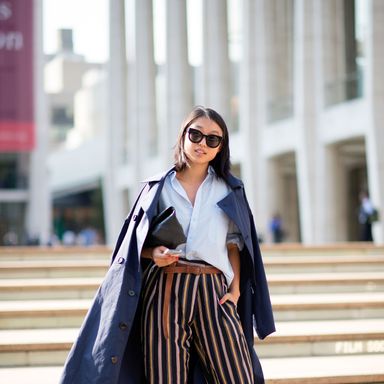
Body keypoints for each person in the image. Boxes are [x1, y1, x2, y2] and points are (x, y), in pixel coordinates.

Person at [60, 106, 275, 384]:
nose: (202, 144)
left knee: (237, 376)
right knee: (166, 377)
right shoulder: (157, 188)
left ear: (221, 147)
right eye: (195, 134)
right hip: (166, 288)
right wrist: (154, 253)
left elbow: (235, 243)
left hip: (214, 290)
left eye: (213, 139)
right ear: (183, 136)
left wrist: (234, 290)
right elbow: (134, 244)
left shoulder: (229, 189)